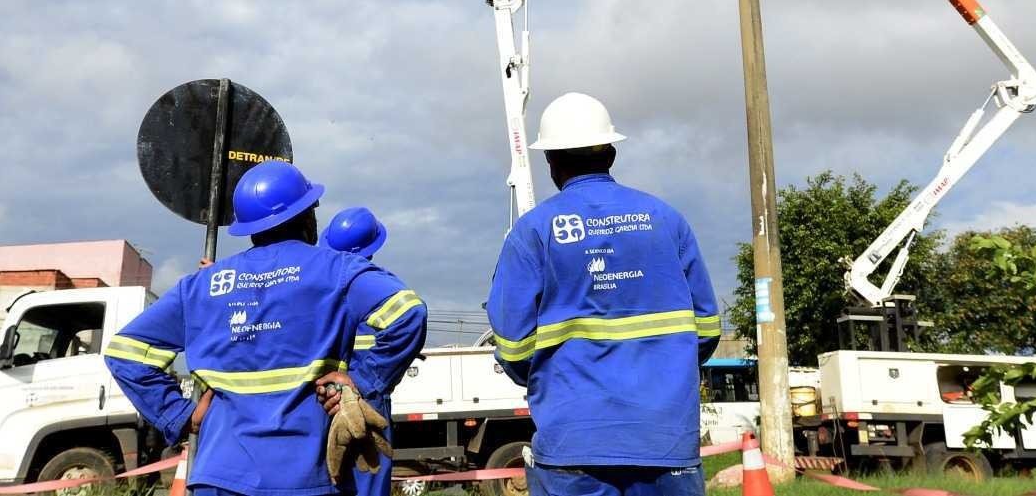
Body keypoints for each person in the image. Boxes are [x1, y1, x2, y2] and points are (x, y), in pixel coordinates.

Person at [104, 160, 427, 496]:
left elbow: (124, 352)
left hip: (218, 475)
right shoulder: (337, 271)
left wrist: (180, 416)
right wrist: (362, 381)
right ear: (308, 215)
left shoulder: (203, 285)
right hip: (306, 477)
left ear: (249, 226)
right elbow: (407, 313)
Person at [486, 92, 722, 496]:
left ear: (551, 162)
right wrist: (664, 370)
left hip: (572, 441)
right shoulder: (666, 220)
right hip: (664, 439)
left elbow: (512, 347)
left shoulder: (534, 231)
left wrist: (554, 379)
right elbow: (706, 329)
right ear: (611, 153)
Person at [321, 207, 399, 496]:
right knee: (369, 483)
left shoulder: (320, 288)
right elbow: (411, 317)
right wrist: (364, 382)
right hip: (367, 402)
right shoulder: (381, 288)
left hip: (327, 399)